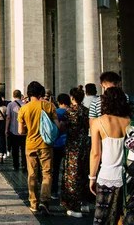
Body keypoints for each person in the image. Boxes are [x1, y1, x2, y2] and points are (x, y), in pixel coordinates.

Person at [89, 87, 132, 225]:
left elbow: (95, 153)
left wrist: (92, 177)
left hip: (107, 175)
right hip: (127, 177)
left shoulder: (98, 122)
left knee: (103, 218)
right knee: (124, 217)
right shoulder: (129, 121)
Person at [17, 81, 60, 214]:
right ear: (41, 92)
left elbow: (20, 131)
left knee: (32, 174)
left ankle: (33, 203)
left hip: (30, 145)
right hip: (46, 145)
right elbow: (57, 126)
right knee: (47, 173)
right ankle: (45, 201)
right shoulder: (49, 106)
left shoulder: (24, 108)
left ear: (29, 93)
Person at [60, 86, 90, 217]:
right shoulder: (87, 111)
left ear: (72, 98)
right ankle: (85, 203)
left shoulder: (70, 112)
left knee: (72, 176)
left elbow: (62, 127)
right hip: (85, 145)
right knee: (84, 173)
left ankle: (74, 206)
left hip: (73, 146)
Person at [51, 93, 69, 200]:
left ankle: (54, 191)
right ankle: (66, 190)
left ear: (59, 102)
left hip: (57, 143)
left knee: (55, 169)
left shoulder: (56, 112)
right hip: (69, 144)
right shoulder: (72, 113)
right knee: (67, 170)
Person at [6, 89, 27, 172]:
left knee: (15, 149)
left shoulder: (10, 105)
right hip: (23, 131)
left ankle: (15, 165)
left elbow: (8, 117)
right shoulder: (25, 104)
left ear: (13, 95)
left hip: (13, 130)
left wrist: (6, 129)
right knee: (23, 149)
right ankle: (24, 165)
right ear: (20, 95)